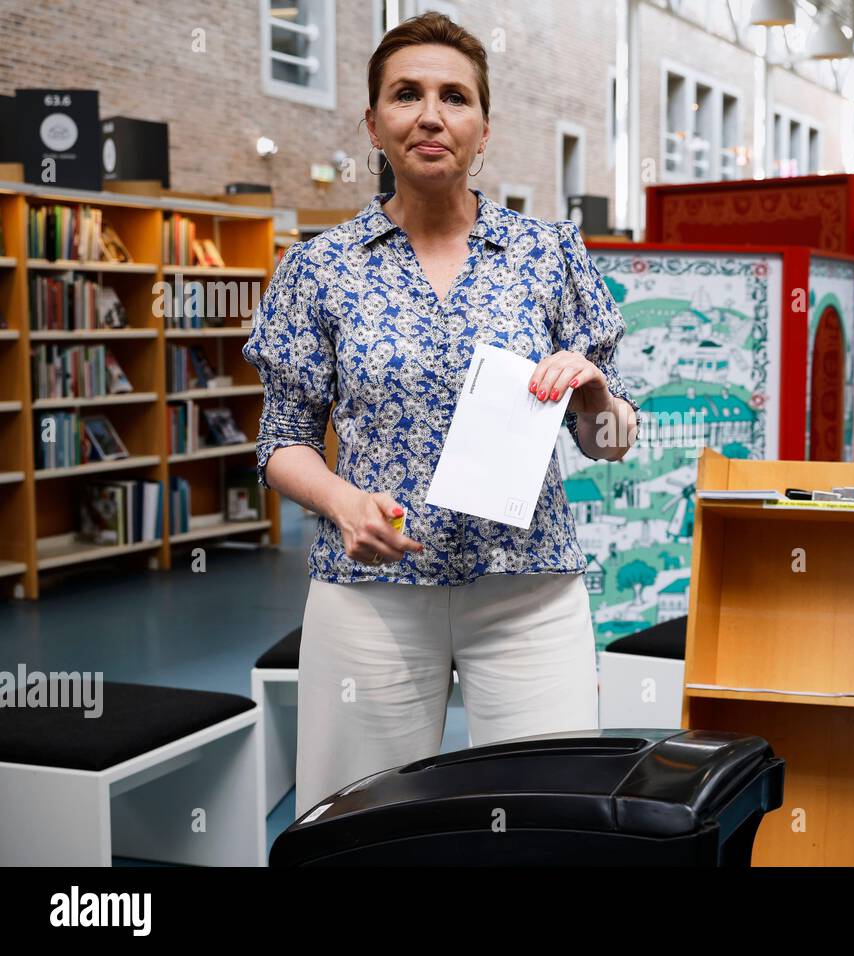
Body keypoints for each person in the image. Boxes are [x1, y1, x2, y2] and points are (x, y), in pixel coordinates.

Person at [242, 12, 640, 817]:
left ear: (483, 128)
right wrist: (340, 500)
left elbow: (608, 443)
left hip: (528, 593)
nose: (431, 115)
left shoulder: (548, 254)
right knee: (362, 826)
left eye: (455, 97)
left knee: (547, 818)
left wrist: (597, 393)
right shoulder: (319, 269)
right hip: (372, 594)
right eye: (407, 95)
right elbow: (282, 440)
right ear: (374, 123)